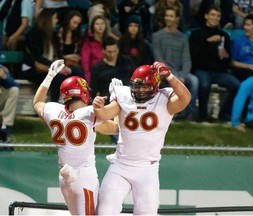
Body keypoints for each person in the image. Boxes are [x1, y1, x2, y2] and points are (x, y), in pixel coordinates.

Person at [92, 61, 191, 215]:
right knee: (105, 211)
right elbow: (104, 115)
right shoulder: (124, 96)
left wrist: (170, 76)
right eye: (137, 86)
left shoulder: (164, 100)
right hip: (121, 165)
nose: (140, 90)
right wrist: (98, 107)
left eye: (144, 86)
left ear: (155, 86)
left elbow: (185, 99)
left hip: (147, 169)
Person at [33, 59, 119, 215]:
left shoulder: (53, 110)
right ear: (84, 93)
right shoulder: (89, 114)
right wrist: (117, 99)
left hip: (64, 178)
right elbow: (116, 128)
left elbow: (37, 102)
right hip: (84, 176)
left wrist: (50, 75)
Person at [189, 5, 240, 122]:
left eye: (218, 16)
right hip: (202, 69)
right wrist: (208, 42)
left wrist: (226, 57)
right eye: (213, 15)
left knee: (237, 86)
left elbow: (228, 61)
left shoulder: (224, 36)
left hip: (219, 72)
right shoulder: (196, 34)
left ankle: (224, 114)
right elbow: (193, 56)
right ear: (206, 16)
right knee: (204, 85)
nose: (215, 18)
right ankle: (203, 116)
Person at [22, 9, 84, 102]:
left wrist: (63, 65)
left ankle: (77, 103)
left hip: (51, 66)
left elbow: (58, 55)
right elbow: (37, 58)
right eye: (55, 18)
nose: (57, 21)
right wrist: (57, 68)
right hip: (32, 68)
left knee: (77, 72)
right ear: (47, 19)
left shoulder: (53, 34)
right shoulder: (33, 33)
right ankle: (53, 105)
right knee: (57, 78)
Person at [152, 6, 198, 120]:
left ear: (177, 19)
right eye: (166, 15)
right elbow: (159, 59)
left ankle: (189, 114)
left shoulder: (183, 38)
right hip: (164, 72)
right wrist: (173, 76)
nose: (167, 18)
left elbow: (186, 60)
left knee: (194, 81)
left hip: (180, 72)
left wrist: (182, 75)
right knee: (176, 80)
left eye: (171, 16)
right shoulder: (157, 36)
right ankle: (175, 112)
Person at [81, 15, 108, 83]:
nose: (100, 26)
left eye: (102, 23)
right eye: (97, 24)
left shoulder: (109, 40)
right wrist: (88, 76)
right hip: (94, 72)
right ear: (93, 26)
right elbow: (85, 61)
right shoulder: (88, 42)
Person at [0, 65, 19, 145]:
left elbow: (15, 84)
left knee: (14, 90)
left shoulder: (2, 68)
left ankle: (5, 128)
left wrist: (4, 77)